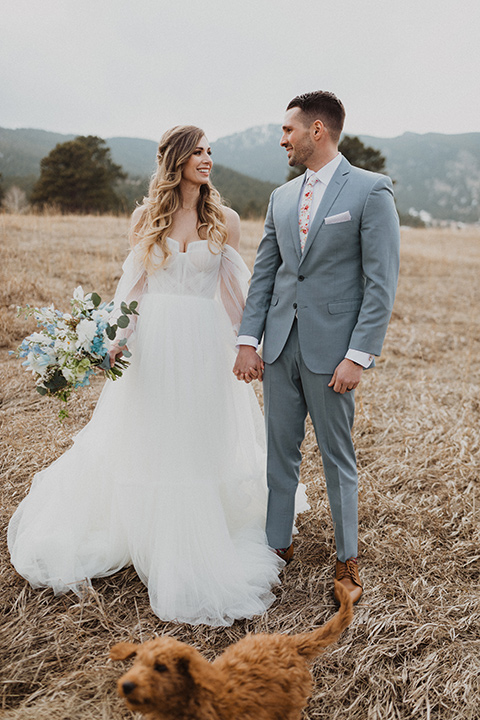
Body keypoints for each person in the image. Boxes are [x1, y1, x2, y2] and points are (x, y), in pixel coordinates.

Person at [8, 125, 307, 626]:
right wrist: (111, 339)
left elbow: (237, 293)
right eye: (198, 152)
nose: (208, 158)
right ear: (176, 160)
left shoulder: (225, 221)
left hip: (204, 342)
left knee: (197, 435)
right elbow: (136, 287)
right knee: (151, 432)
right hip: (155, 343)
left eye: (211, 151)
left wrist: (247, 344)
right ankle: (145, 526)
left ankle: (197, 528)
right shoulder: (146, 218)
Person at [233, 92, 400, 604]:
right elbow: (266, 274)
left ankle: (346, 560)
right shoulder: (281, 198)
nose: (282, 139)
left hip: (333, 356)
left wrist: (358, 355)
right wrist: (248, 340)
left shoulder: (371, 191)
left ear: (318, 130)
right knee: (278, 455)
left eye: (288, 130)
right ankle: (275, 549)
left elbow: (381, 283)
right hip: (279, 349)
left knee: (336, 458)